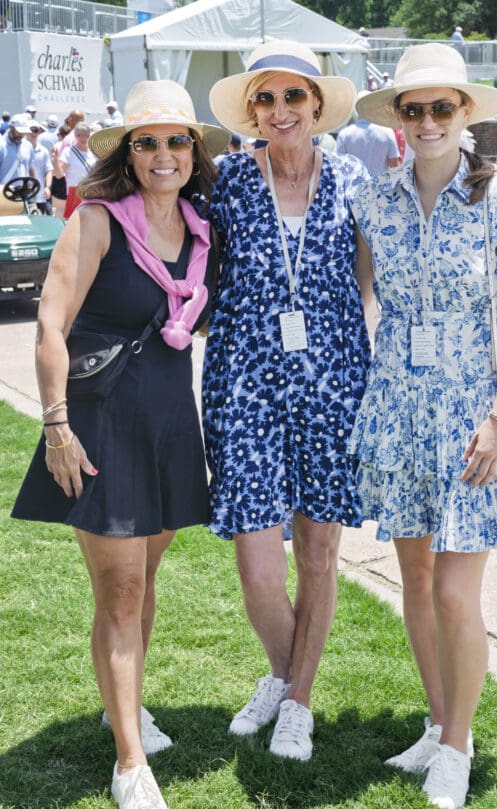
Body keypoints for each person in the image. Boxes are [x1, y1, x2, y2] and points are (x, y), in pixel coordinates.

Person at [12, 79, 227, 809]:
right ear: (128, 154)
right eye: (147, 142)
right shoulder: (98, 220)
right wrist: (55, 424)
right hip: (98, 427)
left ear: (193, 152)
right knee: (121, 590)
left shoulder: (202, 230)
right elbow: (49, 324)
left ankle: (121, 707)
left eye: (175, 141)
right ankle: (130, 764)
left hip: (169, 425)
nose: (163, 154)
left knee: (147, 575)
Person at [350, 42, 497, 809]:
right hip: (400, 411)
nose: (428, 120)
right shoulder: (374, 203)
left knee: (459, 593)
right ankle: (438, 721)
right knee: (418, 582)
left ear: (467, 114)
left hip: (476, 417)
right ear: (397, 118)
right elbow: (360, 304)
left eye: (443, 107)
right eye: (414, 108)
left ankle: (458, 746)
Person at [203, 40, 370, 762]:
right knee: (259, 568)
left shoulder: (356, 178)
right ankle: (282, 671)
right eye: (265, 100)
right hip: (244, 384)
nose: (279, 112)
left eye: (292, 97)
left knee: (319, 554)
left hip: (333, 384)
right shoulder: (230, 181)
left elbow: (370, 278)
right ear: (251, 111)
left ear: (317, 105)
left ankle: (297, 701)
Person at [335, 92, 401, 176]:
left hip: (354, 187)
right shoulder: (387, 132)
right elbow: (394, 164)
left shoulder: (344, 134)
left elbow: (338, 165)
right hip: (380, 186)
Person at [0, 113, 33, 185]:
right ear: (11, 127)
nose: (21, 135)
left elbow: (30, 169)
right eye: (19, 132)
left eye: (24, 132)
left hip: (25, 191)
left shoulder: (28, 146)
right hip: (5, 192)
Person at [26, 120, 53, 214]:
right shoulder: (20, 149)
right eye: (31, 130)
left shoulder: (43, 150)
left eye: (36, 130)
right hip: (24, 195)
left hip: (40, 194)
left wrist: (48, 187)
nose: (33, 133)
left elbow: (49, 171)